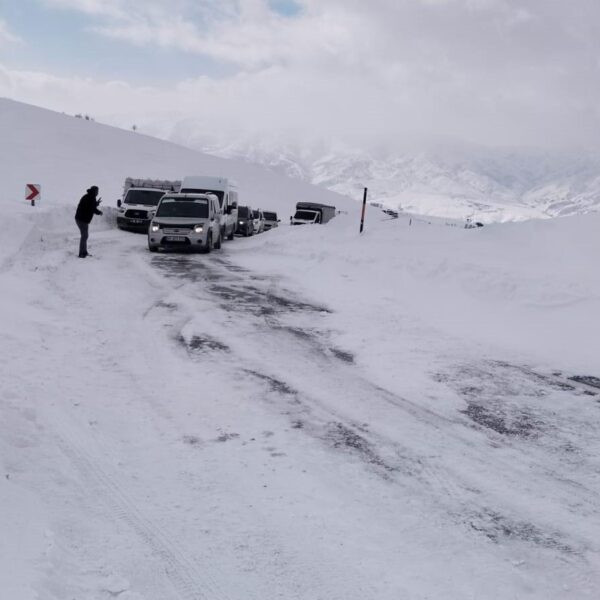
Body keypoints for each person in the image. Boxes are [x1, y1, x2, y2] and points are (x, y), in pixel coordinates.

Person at [75, 186, 103, 258]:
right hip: (82, 219)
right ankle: (82, 253)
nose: (97, 193)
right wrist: (99, 212)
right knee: (84, 236)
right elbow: (92, 208)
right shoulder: (90, 198)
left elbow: (90, 206)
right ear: (94, 191)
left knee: (85, 236)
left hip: (81, 219)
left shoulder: (89, 196)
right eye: (97, 191)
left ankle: (84, 252)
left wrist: (96, 203)